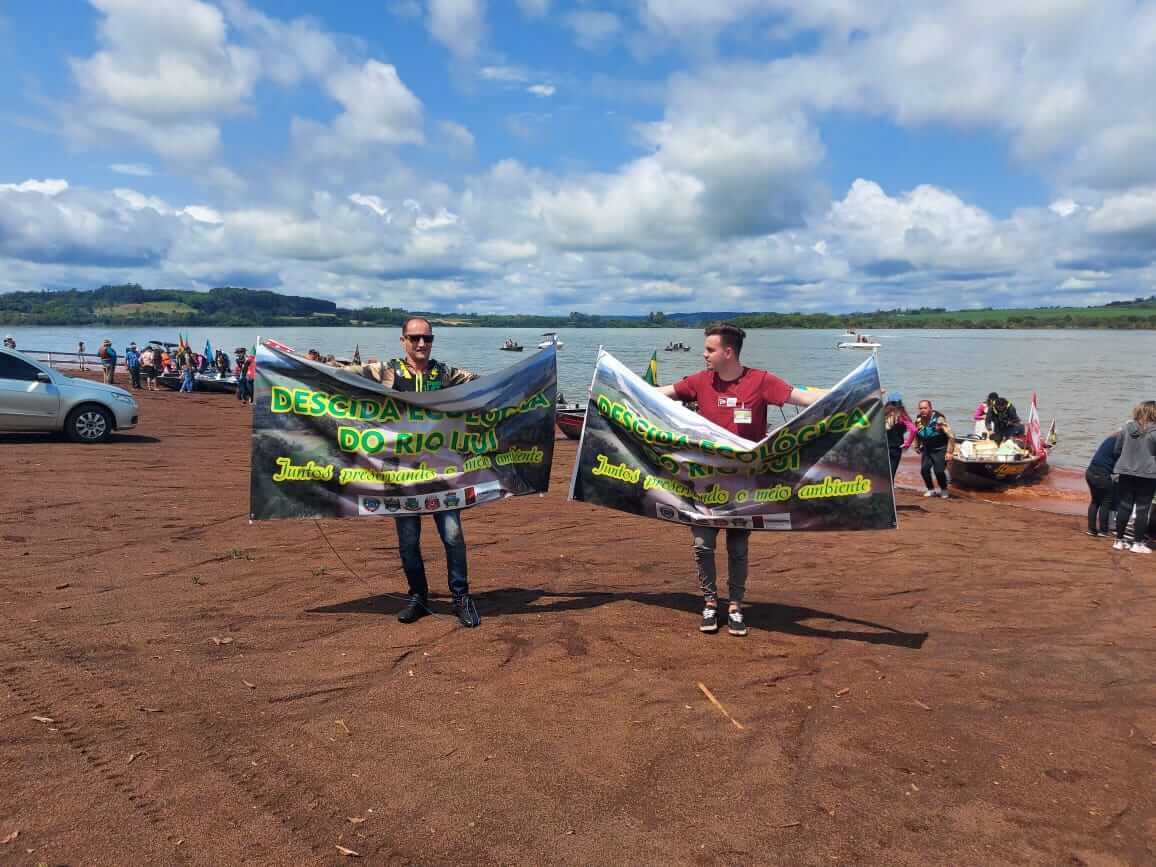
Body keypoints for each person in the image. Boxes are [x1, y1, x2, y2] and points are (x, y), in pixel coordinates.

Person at [656, 321, 827, 637]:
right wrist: (611, 389)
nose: (704, 355)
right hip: (705, 483)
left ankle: (735, 606)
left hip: (746, 485)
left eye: (710, 349)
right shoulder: (700, 382)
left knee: (737, 548)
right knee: (702, 545)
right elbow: (657, 394)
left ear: (728, 352)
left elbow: (802, 398)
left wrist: (855, 392)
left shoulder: (761, 381)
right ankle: (710, 602)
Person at [353, 318, 481, 627]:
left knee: (452, 536)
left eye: (427, 338)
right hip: (402, 473)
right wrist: (289, 366)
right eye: (414, 338)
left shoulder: (446, 374)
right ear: (403, 340)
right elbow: (339, 379)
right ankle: (418, 597)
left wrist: (533, 378)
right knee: (408, 540)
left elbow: (490, 387)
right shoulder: (386, 373)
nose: (421, 344)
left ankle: (461, 596)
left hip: (442, 473)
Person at [1111, 401, 1156, 554]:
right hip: (1148, 474)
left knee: (1124, 506)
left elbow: (1117, 450)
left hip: (1125, 471)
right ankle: (1137, 543)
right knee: (1143, 509)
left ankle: (1119, 541)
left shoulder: (1125, 428)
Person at [914, 399, 955, 498]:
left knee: (939, 471)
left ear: (930, 409)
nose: (922, 410)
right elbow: (917, 433)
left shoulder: (939, 420)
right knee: (924, 470)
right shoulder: (918, 420)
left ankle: (944, 489)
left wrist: (949, 452)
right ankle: (931, 490)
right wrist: (916, 445)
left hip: (940, 448)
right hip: (927, 449)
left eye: (925, 408)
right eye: (920, 408)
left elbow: (951, 436)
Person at [1085, 431, 1120, 537]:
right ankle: (1103, 531)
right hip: (1102, 474)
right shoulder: (1121, 443)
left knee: (1095, 501)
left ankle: (1091, 530)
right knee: (1106, 502)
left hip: (1090, 472)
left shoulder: (1109, 439)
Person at [884, 393, 917, 481]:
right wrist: (907, 444)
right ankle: (889, 491)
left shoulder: (883, 414)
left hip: (883, 447)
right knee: (892, 471)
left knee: (882, 471)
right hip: (896, 447)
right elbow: (914, 430)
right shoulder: (902, 416)